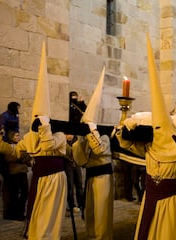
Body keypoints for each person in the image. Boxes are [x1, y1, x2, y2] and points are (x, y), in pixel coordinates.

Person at [115, 35, 176, 240]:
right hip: (150, 198)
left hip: (173, 201)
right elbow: (126, 146)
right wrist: (125, 127)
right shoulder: (150, 147)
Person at [0, 42, 68, 239]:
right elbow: (15, 151)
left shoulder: (59, 136)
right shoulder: (29, 137)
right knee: (37, 213)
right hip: (39, 177)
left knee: (50, 216)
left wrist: (46, 128)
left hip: (55, 179)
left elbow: (48, 145)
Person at [72, 66, 114, 239]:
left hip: (103, 176)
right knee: (90, 213)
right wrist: (79, 140)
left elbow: (99, 149)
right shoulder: (87, 135)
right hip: (90, 175)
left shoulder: (103, 134)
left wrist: (91, 132)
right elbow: (80, 160)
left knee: (102, 214)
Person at [0, 131, 29, 221]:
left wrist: (23, 157)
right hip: (14, 173)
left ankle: (20, 212)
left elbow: (27, 156)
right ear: (11, 137)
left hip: (23, 172)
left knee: (25, 193)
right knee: (14, 194)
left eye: (18, 135)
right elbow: (12, 157)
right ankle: (15, 214)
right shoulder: (9, 146)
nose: (18, 137)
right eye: (16, 135)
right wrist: (22, 157)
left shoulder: (21, 146)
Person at [64, 134, 84, 215]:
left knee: (79, 184)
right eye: (67, 134)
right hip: (67, 165)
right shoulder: (63, 142)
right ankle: (72, 206)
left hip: (76, 164)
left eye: (70, 134)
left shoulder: (76, 140)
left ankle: (81, 204)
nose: (69, 136)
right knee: (70, 186)